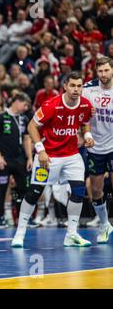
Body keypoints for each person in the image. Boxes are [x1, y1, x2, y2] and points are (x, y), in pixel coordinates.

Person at [11, 72, 94, 248]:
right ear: (65, 86)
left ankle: (71, 234)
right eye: (72, 85)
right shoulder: (51, 105)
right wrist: (40, 150)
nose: (76, 89)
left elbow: (85, 120)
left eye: (79, 86)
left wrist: (87, 134)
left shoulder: (86, 104)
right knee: (34, 192)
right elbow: (32, 126)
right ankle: (20, 233)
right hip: (48, 156)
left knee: (78, 192)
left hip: (72, 155)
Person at [81, 57, 113, 243]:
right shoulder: (88, 89)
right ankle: (104, 224)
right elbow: (83, 118)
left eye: (106, 70)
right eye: (100, 71)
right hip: (95, 146)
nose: (103, 75)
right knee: (95, 190)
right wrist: (86, 136)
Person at [0, 93, 33, 228]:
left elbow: (27, 139)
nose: (25, 108)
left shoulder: (24, 118)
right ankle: (0, 217)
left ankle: (24, 218)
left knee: (24, 189)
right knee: (2, 188)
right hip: (4, 159)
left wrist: (30, 158)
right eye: (24, 104)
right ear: (16, 101)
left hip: (19, 159)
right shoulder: (1, 117)